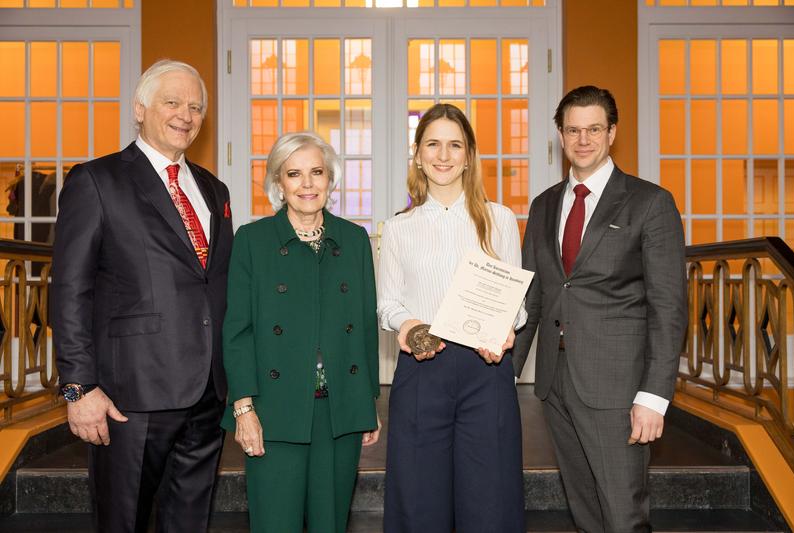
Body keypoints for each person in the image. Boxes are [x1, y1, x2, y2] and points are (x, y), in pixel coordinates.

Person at [51, 59, 233, 532]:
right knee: (123, 521)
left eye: (196, 107)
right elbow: (70, 290)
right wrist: (78, 388)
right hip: (129, 395)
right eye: (172, 102)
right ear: (139, 108)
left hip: (206, 393)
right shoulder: (96, 181)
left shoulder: (214, 190)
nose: (186, 115)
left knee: (189, 522)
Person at [511, 85, 687, 532]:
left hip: (619, 388)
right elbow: (533, 298)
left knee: (623, 515)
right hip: (555, 384)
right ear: (560, 134)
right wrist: (502, 373)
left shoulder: (650, 202)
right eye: (573, 130)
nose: (582, 139)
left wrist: (654, 396)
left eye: (593, 129)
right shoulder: (545, 204)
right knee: (586, 511)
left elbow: (669, 308)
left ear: (612, 132)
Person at [222, 131, 381, 532]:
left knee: (330, 522)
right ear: (279, 183)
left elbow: (363, 324)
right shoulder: (252, 240)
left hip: (339, 407)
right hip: (273, 407)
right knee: (275, 522)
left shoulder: (354, 239)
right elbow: (237, 331)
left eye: (317, 172)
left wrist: (368, 402)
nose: (307, 184)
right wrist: (243, 409)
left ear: (330, 179)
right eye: (295, 174)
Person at [378, 103, 526, 533]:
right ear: (419, 154)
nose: (443, 156)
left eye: (455, 145)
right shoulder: (400, 227)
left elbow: (516, 304)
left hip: (486, 369)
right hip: (424, 369)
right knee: (420, 501)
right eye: (433, 144)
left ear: (469, 154)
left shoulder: (500, 220)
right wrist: (408, 325)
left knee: (490, 500)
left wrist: (505, 328)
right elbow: (387, 303)